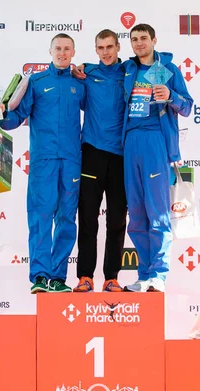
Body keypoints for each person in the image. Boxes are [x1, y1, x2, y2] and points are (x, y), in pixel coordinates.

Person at [0, 34, 86, 293]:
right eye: (58, 49)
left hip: (72, 160)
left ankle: (58, 277)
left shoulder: (80, 83)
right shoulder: (37, 82)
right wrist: (0, 113)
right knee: (41, 216)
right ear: (50, 51)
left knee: (66, 218)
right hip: (43, 160)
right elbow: (15, 118)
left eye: (67, 49)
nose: (62, 53)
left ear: (73, 52)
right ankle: (40, 276)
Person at [121, 23, 194, 292]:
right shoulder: (127, 69)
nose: (139, 43)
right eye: (134, 39)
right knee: (137, 215)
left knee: (158, 213)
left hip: (154, 141)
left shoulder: (168, 70)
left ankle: (159, 275)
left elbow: (187, 106)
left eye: (143, 38)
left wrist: (171, 96)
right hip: (129, 141)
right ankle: (144, 276)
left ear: (154, 40)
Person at [72, 30, 127, 293]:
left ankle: (111, 277)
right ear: (95, 50)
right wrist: (78, 69)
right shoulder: (88, 74)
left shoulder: (130, 72)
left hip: (120, 156)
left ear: (118, 47)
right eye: (100, 47)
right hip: (92, 153)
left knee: (117, 220)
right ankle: (85, 276)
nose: (105, 52)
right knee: (88, 219)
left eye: (109, 47)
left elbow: (157, 63)